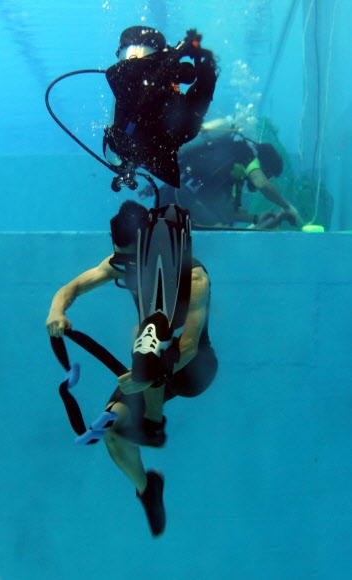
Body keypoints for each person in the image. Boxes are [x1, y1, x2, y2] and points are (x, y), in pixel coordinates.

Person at [46, 200, 218, 536]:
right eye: (120, 260)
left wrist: (148, 376)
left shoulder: (193, 277)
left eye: (131, 260)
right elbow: (74, 287)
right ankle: (147, 488)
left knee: (148, 334)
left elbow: (188, 345)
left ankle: (152, 423)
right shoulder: (125, 260)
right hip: (147, 369)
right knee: (113, 434)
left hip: (192, 368)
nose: (126, 268)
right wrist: (56, 310)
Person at [103, 26, 219, 190]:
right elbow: (202, 94)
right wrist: (203, 63)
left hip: (136, 144)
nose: (176, 87)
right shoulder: (176, 128)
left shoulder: (124, 138)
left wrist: (183, 60)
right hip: (146, 143)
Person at [140, 129, 302, 228]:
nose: (267, 179)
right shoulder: (246, 154)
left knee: (219, 227)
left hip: (172, 199)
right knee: (220, 230)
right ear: (263, 166)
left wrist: (255, 218)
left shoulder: (234, 169)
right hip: (182, 196)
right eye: (269, 175)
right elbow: (262, 184)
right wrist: (288, 206)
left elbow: (225, 211)